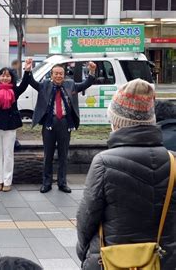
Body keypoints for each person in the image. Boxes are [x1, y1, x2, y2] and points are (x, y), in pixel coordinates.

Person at [76, 79, 176, 269]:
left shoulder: (104, 162)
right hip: (163, 260)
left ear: (117, 121)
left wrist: (85, 253)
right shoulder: (173, 161)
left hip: (112, 259)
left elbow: (87, 217)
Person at [29, 61, 96, 193]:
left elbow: (85, 84)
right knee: (48, 155)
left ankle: (62, 183)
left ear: (64, 75)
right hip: (49, 122)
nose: (58, 76)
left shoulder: (70, 84)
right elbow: (32, 82)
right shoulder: (45, 85)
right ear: (51, 75)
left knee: (63, 155)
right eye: (56, 74)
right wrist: (27, 70)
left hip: (65, 122)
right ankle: (46, 183)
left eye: (61, 74)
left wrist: (92, 72)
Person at [0, 58, 32, 192]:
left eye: (7, 75)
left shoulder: (15, 90)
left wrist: (27, 70)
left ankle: (7, 181)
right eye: (3, 75)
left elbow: (25, 84)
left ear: (11, 78)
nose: (5, 78)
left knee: (8, 154)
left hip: (10, 126)